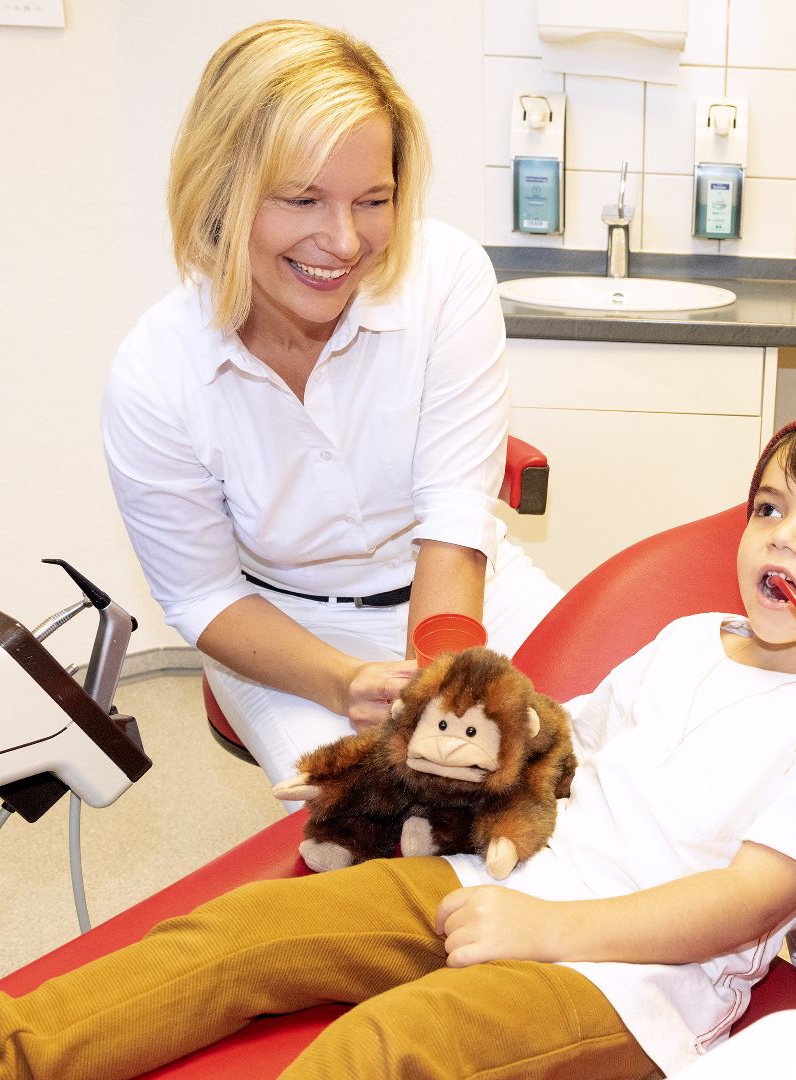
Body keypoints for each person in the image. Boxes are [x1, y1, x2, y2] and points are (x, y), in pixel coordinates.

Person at [0, 414, 796, 1079]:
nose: (783, 537)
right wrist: (437, 747)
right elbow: (563, 748)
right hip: (502, 887)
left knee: (385, 1047)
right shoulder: (688, 640)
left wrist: (543, 932)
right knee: (243, 932)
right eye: (768, 509)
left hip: (630, 988)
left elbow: (743, 906)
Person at [100, 20, 563, 789]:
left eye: (373, 200)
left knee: (608, 751)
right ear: (221, 191)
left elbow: (453, 519)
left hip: (463, 594)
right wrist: (345, 681)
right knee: (383, 815)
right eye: (303, 199)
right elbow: (205, 594)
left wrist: (442, 695)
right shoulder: (156, 375)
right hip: (287, 630)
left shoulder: (445, 277)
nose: (344, 242)